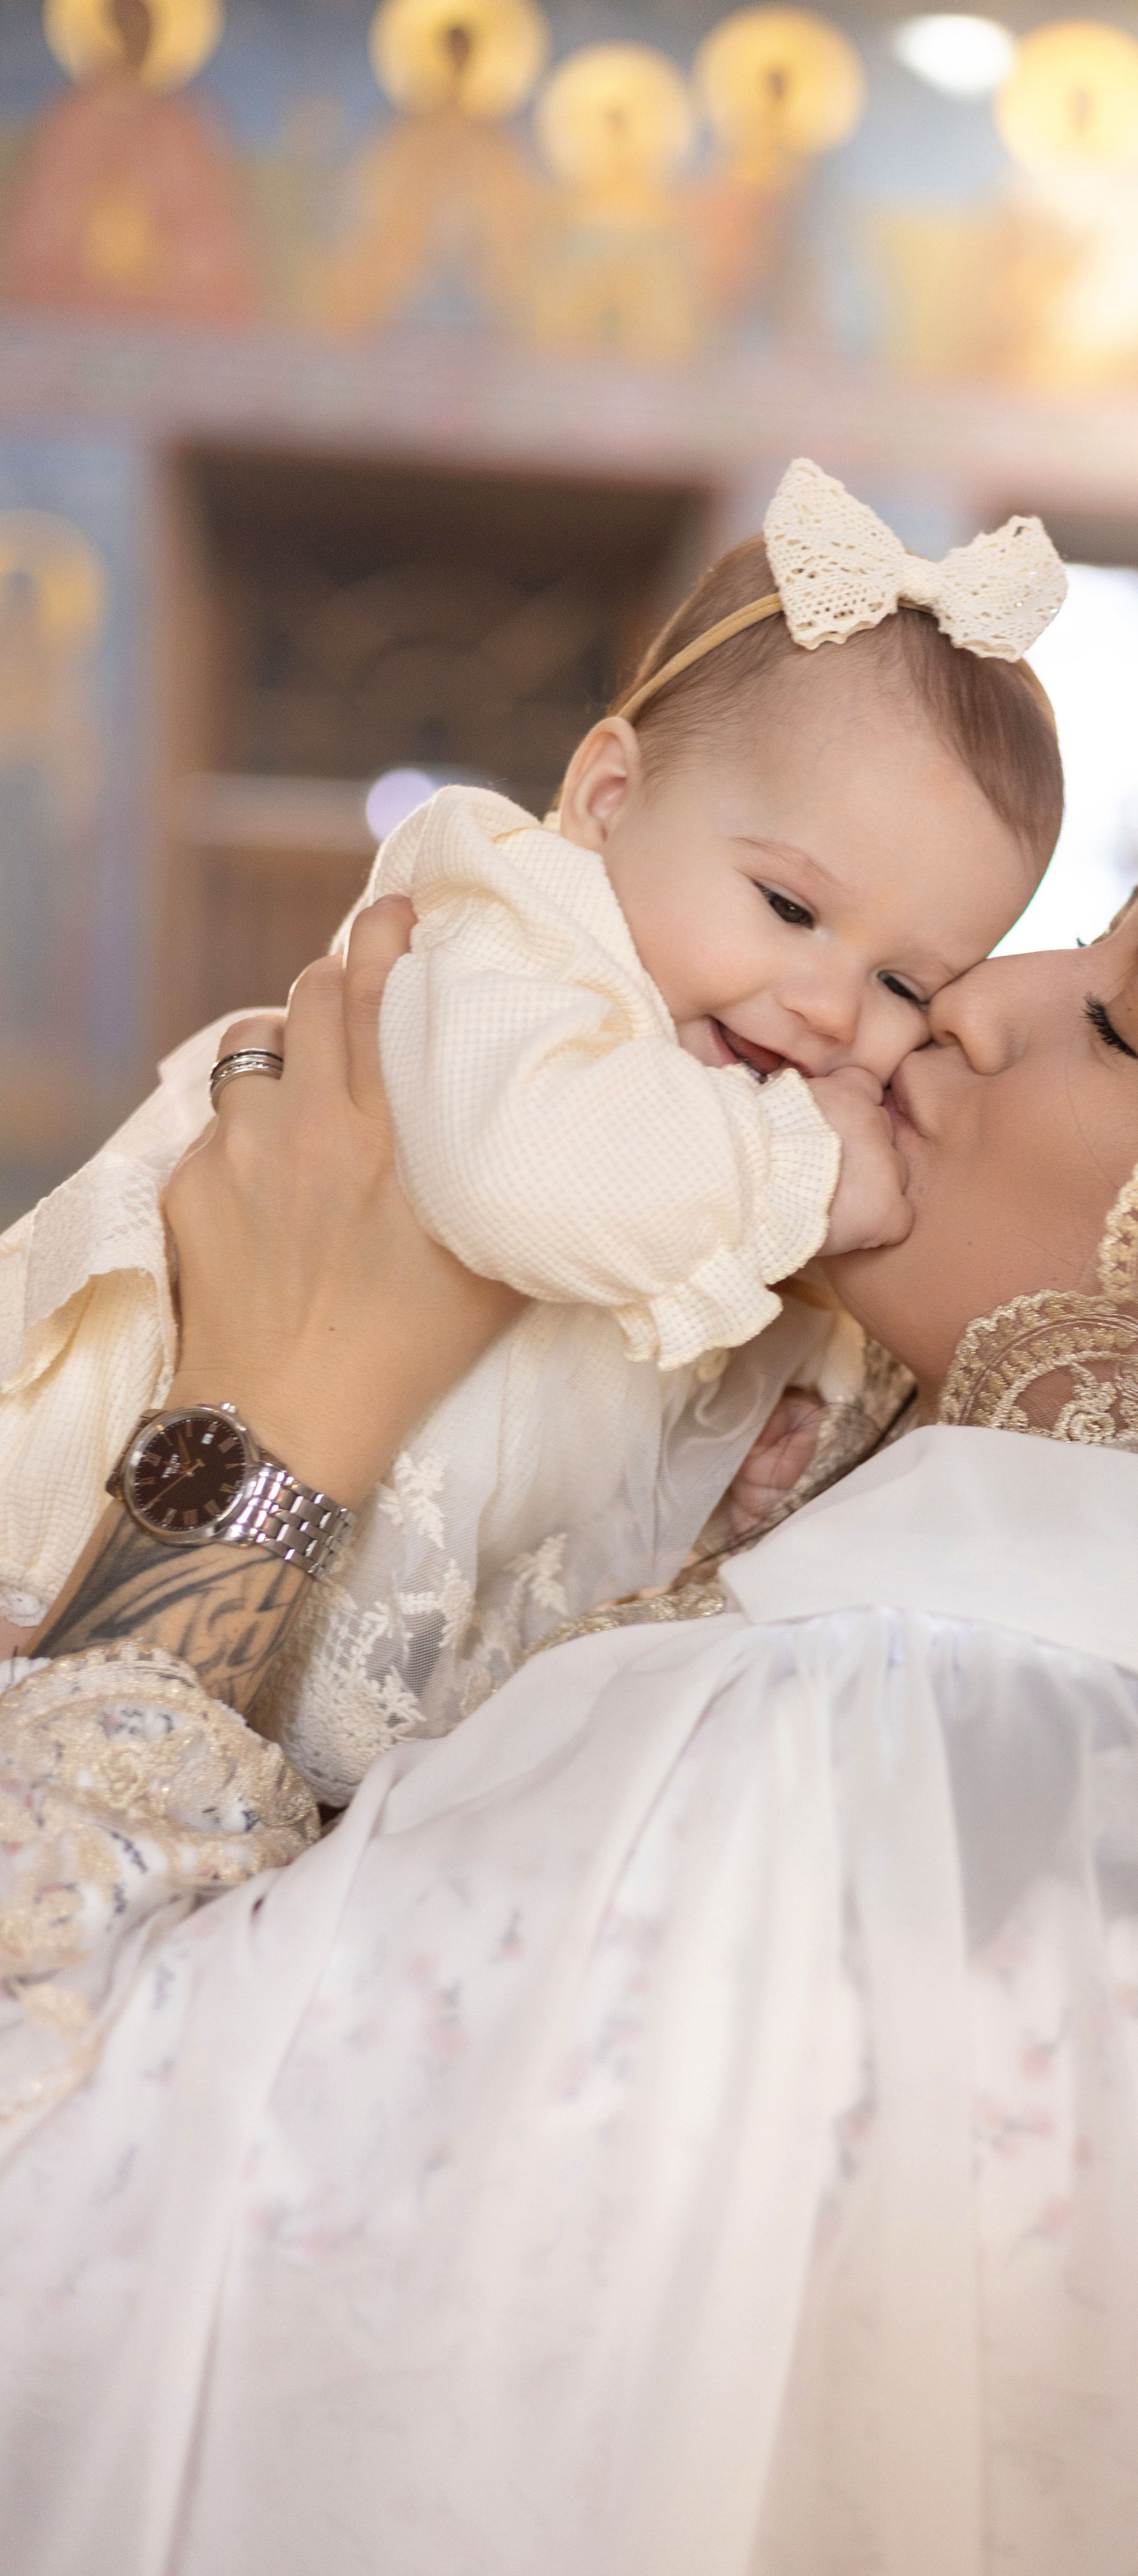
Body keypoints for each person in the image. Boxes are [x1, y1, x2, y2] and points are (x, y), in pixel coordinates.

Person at [5, 747, 1138, 2574]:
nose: (970, 1001)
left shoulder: (842, 1747)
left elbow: (62, 2231)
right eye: (1086, 938)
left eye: (1117, 1027)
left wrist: (276, 1411)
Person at [0, 458, 1062, 1801]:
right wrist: (800, 1166)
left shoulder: (700, 1111)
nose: (830, 1006)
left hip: (271, 1682)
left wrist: (717, 1467)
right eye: (791, 909)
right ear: (608, 800)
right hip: (74, 1539)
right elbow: (521, 1184)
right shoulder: (522, 938)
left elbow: (572, 1416)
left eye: (906, 983)